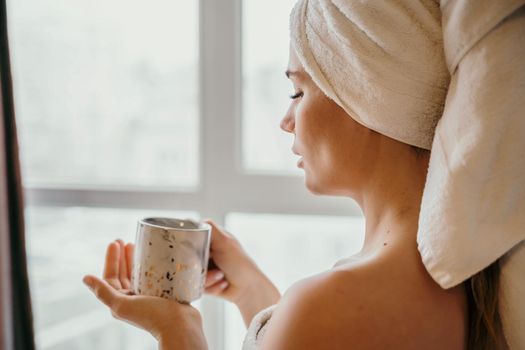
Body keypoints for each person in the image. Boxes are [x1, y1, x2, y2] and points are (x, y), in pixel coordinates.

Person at [82, 1, 524, 349]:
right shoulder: (467, 285)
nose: (286, 120)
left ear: (364, 94)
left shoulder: (330, 306)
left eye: (298, 91)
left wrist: (178, 330)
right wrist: (251, 289)